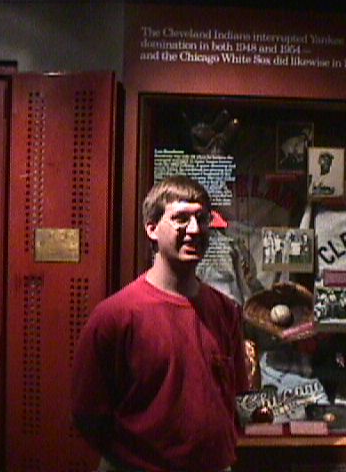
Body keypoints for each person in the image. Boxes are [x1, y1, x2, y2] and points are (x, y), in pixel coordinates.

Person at [71, 175, 249, 472]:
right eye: (181, 219)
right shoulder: (116, 316)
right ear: (151, 228)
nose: (195, 229)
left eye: (202, 219)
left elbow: (232, 396)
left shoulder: (224, 310)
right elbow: (87, 412)